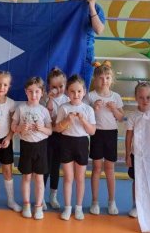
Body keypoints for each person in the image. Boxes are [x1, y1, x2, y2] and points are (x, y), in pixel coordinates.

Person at [55, 74, 96, 221]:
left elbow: (92, 131)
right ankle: (67, 207)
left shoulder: (88, 110)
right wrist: (67, 120)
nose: (76, 94)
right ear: (67, 92)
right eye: (72, 91)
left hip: (82, 143)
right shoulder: (63, 108)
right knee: (68, 177)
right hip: (66, 143)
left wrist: (83, 120)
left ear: (84, 92)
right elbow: (57, 129)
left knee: (80, 178)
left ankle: (78, 207)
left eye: (79, 91)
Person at [11, 77, 53, 220]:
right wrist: (20, 128)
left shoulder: (44, 110)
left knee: (39, 178)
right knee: (26, 177)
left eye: (37, 92)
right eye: (30, 91)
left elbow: (50, 131)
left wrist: (42, 128)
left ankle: (39, 206)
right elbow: (13, 127)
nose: (33, 95)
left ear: (42, 93)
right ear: (25, 92)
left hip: (41, 147)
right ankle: (27, 204)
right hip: (26, 146)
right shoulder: (21, 108)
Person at [85, 63, 124, 215]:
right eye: (101, 78)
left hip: (111, 134)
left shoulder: (116, 96)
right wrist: (93, 108)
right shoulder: (91, 96)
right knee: (96, 168)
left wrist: (114, 109)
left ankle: (111, 201)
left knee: (110, 168)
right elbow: (84, 116)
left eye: (107, 78)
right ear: (95, 79)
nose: (104, 81)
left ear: (111, 79)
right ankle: (94, 201)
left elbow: (121, 118)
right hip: (96, 133)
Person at [0, 70, 21, 212]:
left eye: (5, 85)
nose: (1, 87)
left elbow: (13, 125)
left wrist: (8, 138)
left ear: (9, 87)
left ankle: (11, 200)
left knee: (8, 170)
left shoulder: (11, 103)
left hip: (5, 140)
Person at [124, 81, 150, 218]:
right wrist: (127, 154)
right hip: (136, 155)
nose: (145, 100)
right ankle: (136, 205)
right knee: (137, 181)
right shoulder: (133, 116)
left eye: (148, 97)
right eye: (141, 97)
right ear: (136, 98)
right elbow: (129, 136)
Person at [43, 67, 69, 210]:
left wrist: (58, 122)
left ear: (65, 85)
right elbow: (47, 117)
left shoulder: (68, 100)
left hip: (62, 137)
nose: (58, 90)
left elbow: (64, 121)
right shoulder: (45, 99)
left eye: (61, 86)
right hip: (47, 136)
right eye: (54, 87)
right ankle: (41, 196)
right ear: (49, 86)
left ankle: (53, 196)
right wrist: (50, 99)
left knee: (55, 168)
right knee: (45, 167)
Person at [77, 0, 105, 90]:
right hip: (69, 50)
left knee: (83, 86)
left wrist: (92, 7)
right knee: (67, 83)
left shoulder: (97, 8)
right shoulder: (70, 5)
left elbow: (99, 30)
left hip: (86, 52)